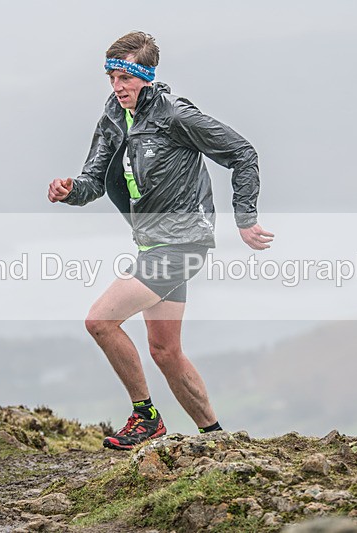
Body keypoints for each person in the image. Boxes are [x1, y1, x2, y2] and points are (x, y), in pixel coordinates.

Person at [47, 31, 274, 450]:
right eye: (111, 78)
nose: (117, 88)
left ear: (147, 76)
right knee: (166, 351)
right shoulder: (114, 116)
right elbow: (92, 181)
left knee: (100, 321)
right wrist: (69, 191)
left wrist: (245, 218)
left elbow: (243, 152)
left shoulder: (175, 115)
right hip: (151, 244)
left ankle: (146, 418)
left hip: (184, 242)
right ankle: (218, 440)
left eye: (125, 79)